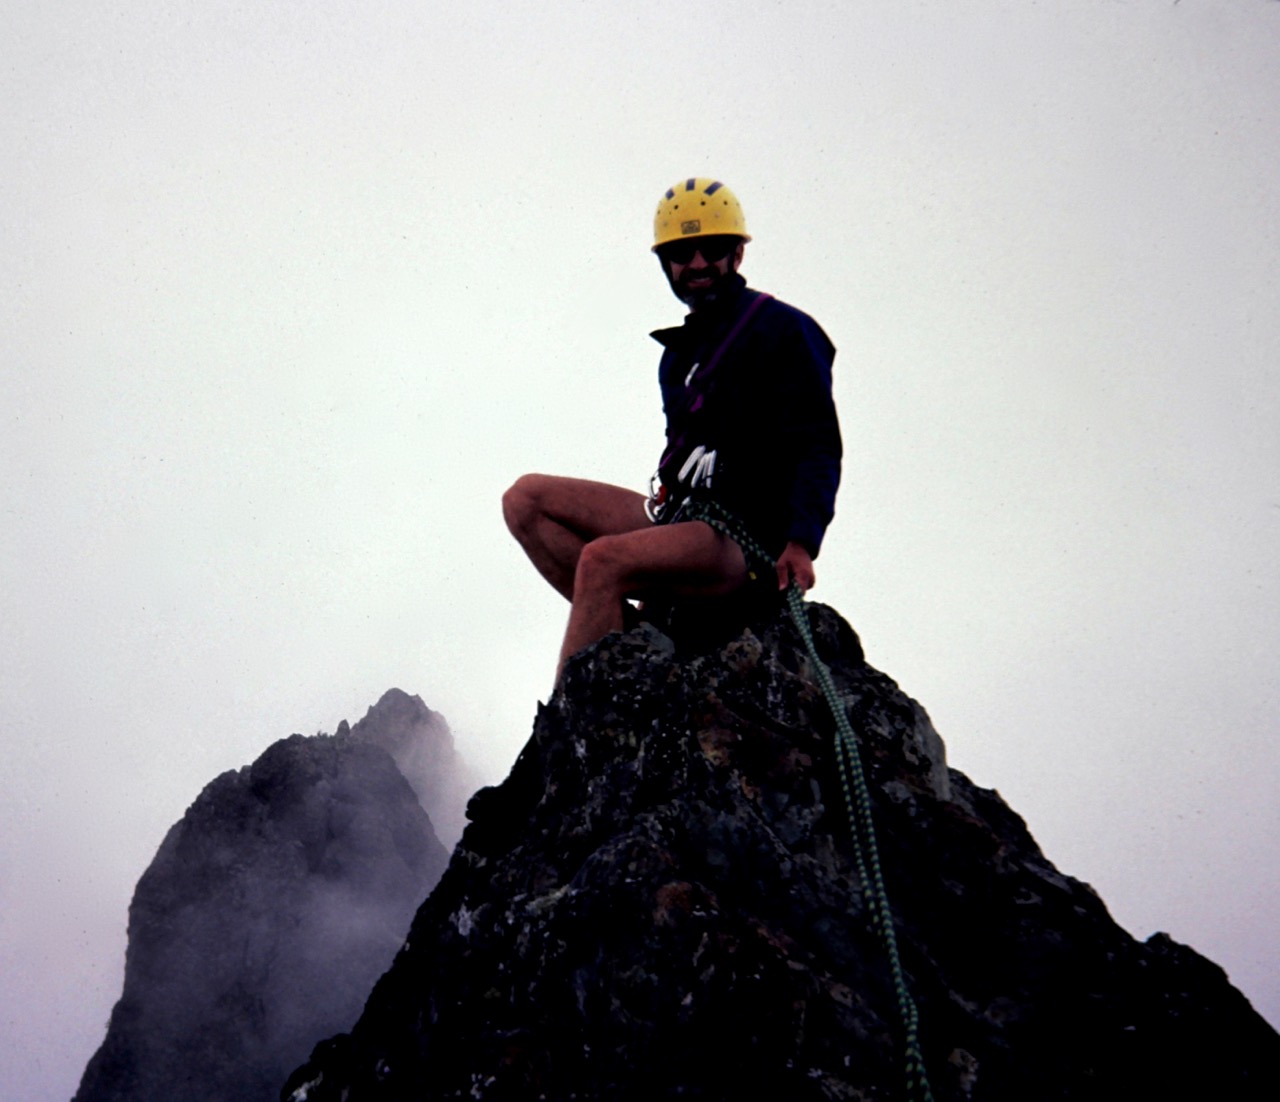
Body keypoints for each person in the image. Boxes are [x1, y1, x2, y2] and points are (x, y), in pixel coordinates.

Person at [503, 177, 842, 684]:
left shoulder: (784, 330)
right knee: (525, 500)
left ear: (737, 254)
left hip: (743, 541)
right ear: (667, 263)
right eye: (683, 252)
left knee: (602, 561)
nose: (698, 263)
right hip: (685, 517)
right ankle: (637, 635)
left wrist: (801, 543)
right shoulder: (678, 355)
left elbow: (817, 444)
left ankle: (570, 733)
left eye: (713, 248)